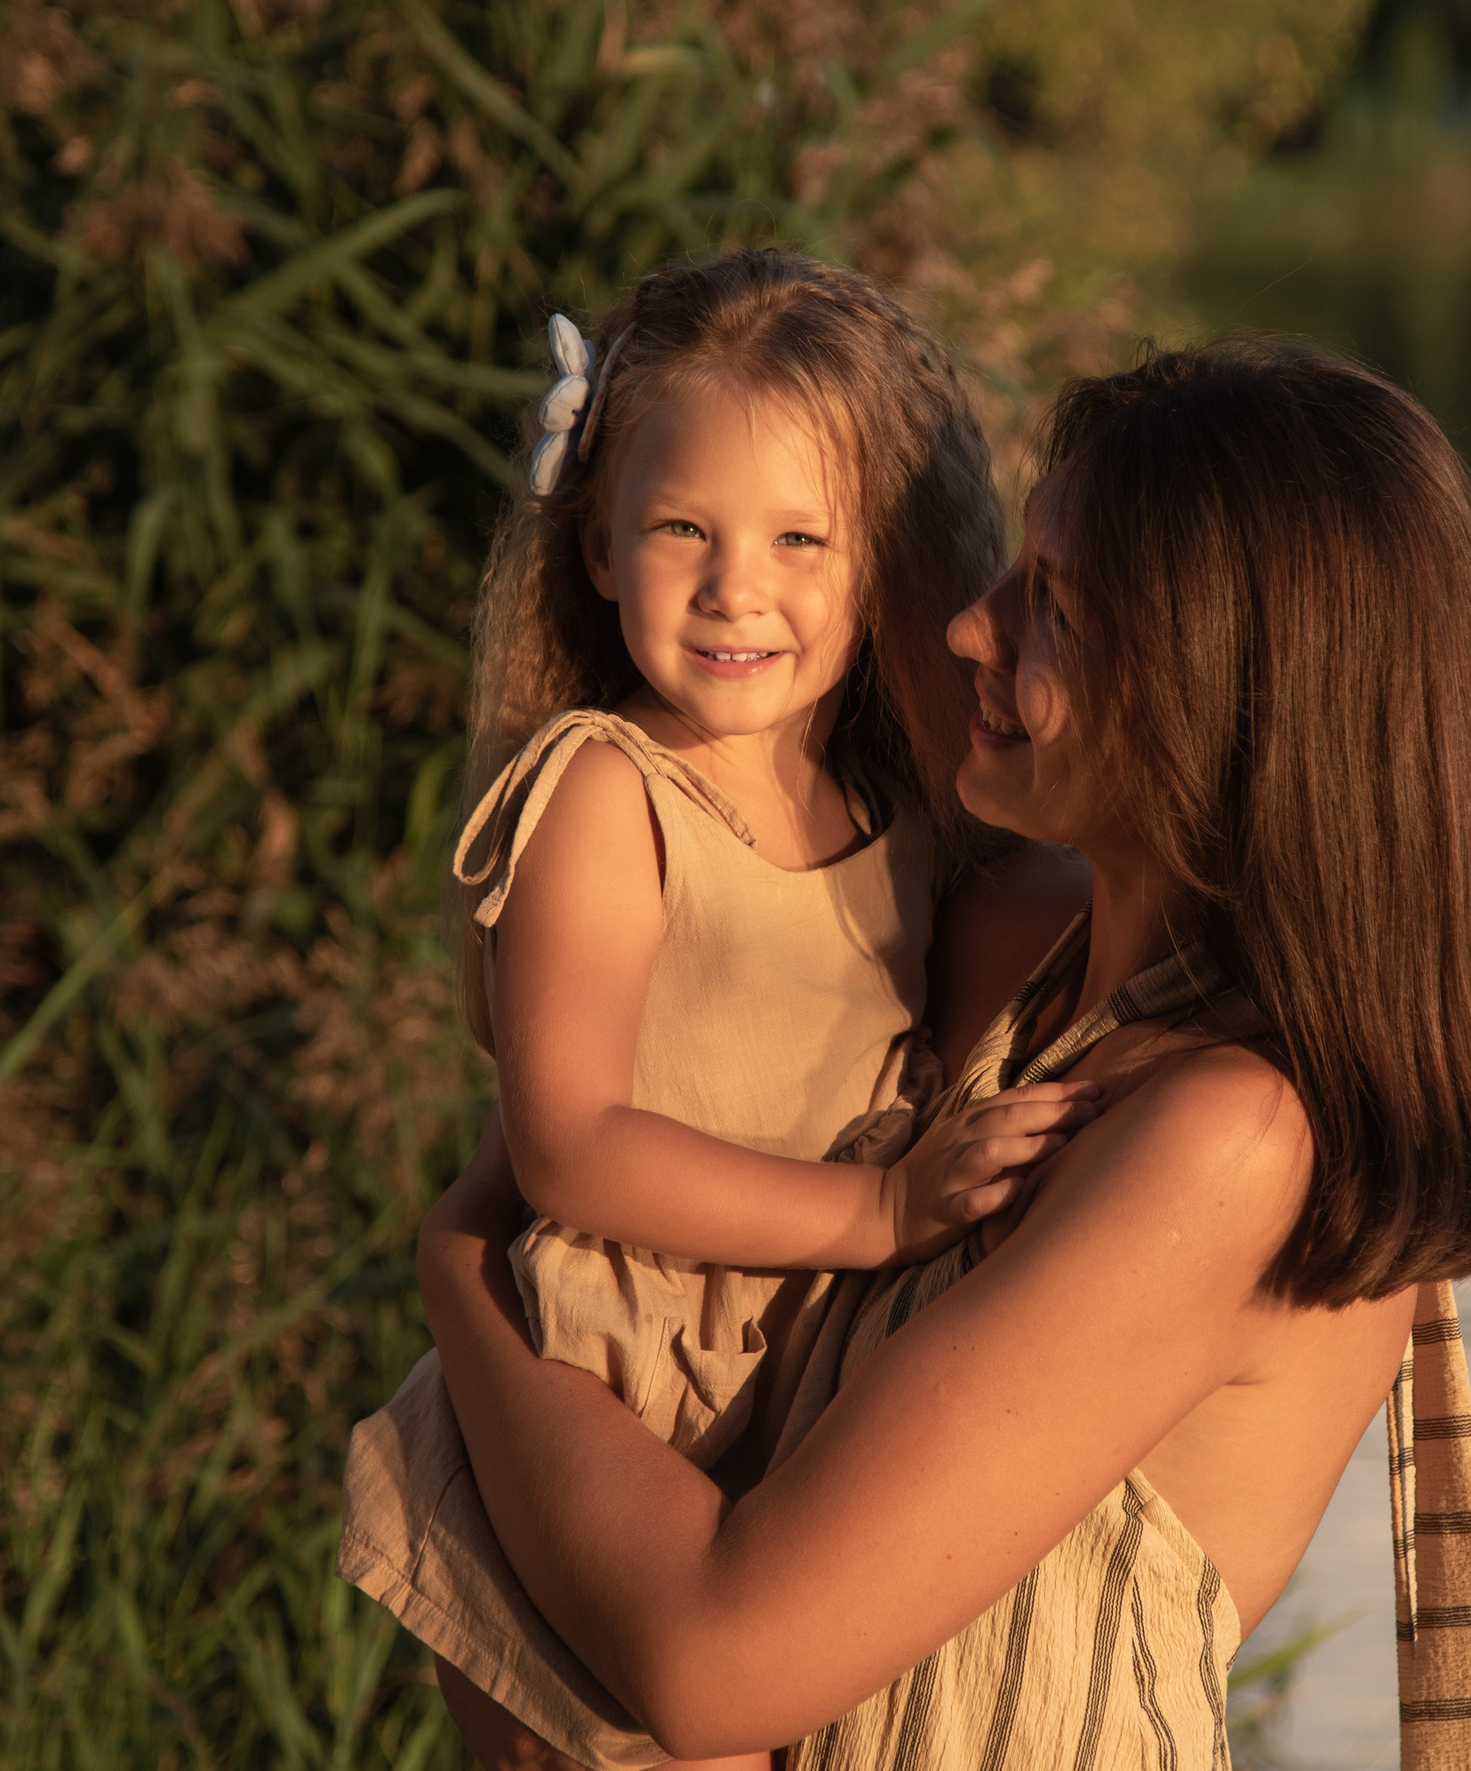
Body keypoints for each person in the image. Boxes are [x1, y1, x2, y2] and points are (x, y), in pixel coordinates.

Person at [416, 338, 1471, 1769]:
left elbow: (718, 1666)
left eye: (1051, 608)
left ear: (1228, 701)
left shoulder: (1232, 1136)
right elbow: (606, 1109)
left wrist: (461, 1283)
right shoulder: (1016, 953)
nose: (968, 631)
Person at [340, 249, 1100, 1771]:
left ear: (880, 559)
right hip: (599, 1402)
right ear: (602, 549)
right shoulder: (609, 797)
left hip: (765, 1398)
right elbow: (566, 1146)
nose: (736, 588)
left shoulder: (890, 806)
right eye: (682, 529)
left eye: (799, 538)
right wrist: (880, 1212)